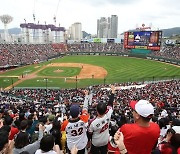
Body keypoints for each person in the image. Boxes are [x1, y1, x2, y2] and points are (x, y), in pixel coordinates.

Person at [88, 85, 115, 154]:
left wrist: (88, 141)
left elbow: (90, 134)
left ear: (97, 111)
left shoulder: (93, 122)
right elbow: (110, 103)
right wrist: (112, 91)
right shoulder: (108, 114)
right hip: (105, 141)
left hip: (96, 143)